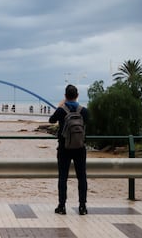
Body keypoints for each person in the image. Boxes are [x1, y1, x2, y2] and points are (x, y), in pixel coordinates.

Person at [49, 84, 89, 215]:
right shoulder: (83, 111)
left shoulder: (61, 110)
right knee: (82, 177)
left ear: (65, 96)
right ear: (77, 96)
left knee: (63, 178)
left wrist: (61, 105)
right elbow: (89, 122)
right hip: (80, 148)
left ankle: (62, 206)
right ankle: (82, 207)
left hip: (64, 148)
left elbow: (51, 120)